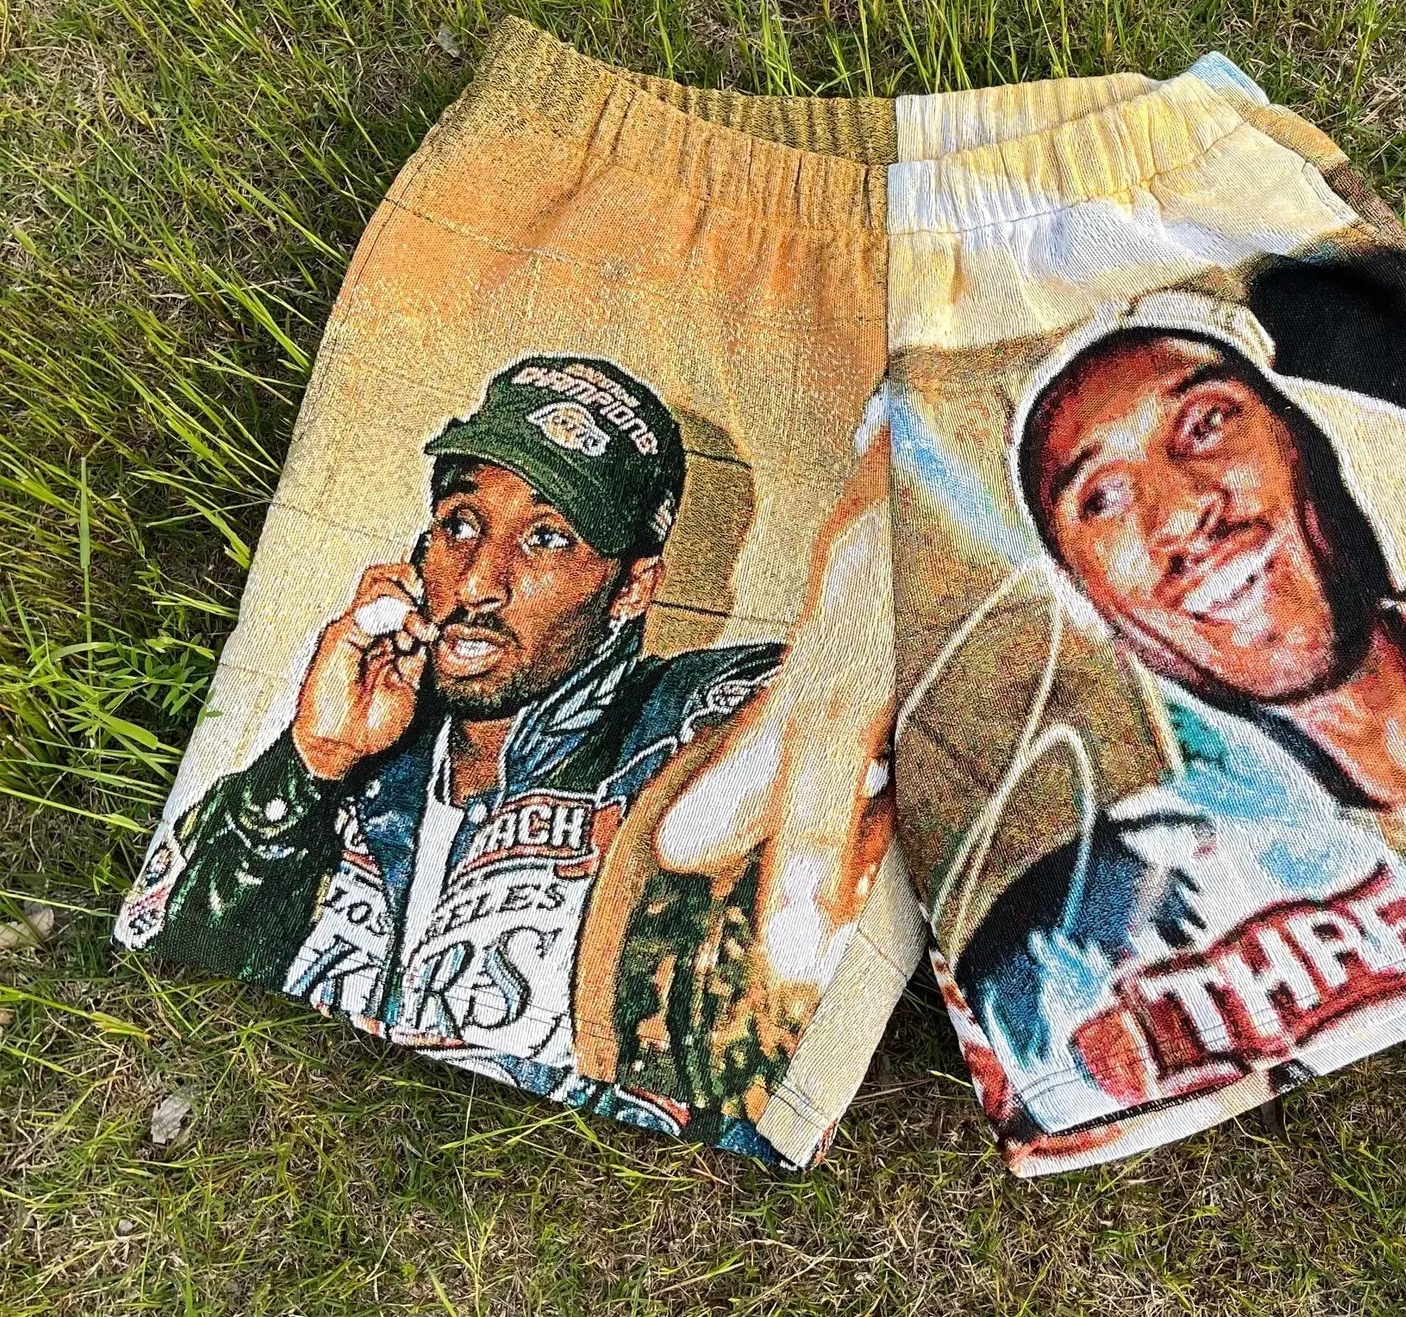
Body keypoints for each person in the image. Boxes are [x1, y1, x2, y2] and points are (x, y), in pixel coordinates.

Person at [951, 287, 1406, 1136]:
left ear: (1306, 440)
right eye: (1101, 499)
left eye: (1205, 424)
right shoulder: (1093, 931)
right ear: (1095, 606)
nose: (1182, 512)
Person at [123, 353, 891, 1141]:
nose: (477, 583)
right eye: (461, 524)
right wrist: (311, 763)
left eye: (547, 538)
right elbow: (169, 986)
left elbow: (846, 682)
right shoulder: (345, 759)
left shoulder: (689, 727)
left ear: (631, 587)